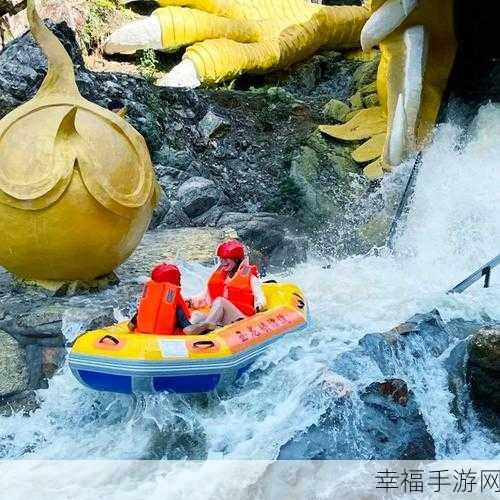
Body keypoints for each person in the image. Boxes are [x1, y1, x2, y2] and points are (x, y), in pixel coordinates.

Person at [183, 239, 266, 334]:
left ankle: (206, 326)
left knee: (220, 301)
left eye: (226, 258)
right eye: (221, 258)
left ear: (236, 259)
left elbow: (260, 297)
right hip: (223, 320)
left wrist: (259, 305)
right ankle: (184, 336)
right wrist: (190, 301)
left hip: (241, 319)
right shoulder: (220, 276)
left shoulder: (250, 277)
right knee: (196, 315)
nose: (222, 262)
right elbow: (204, 297)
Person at [128, 263, 192, 335]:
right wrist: (206, 326)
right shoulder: (175, 304)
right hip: (166, 334)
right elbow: (189, 330)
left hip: (143, 334)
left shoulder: (148, 302)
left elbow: (130, 326)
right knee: (178, 313)